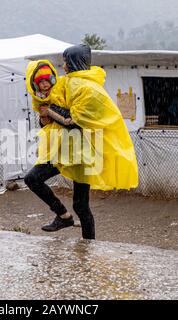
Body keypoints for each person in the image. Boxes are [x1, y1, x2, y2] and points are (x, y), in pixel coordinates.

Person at [24, 45, 139, 240]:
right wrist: (44, 116)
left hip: (82, 153)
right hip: (62, 150)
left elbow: (75, 122)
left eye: (67, 62)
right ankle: (63, 215)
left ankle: (89, 245)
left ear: (75, 62)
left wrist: (49, 111)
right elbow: (51, 113)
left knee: (81, 205)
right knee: (32, 179)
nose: (64, 66)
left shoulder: (89, 89)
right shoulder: (67, 83)